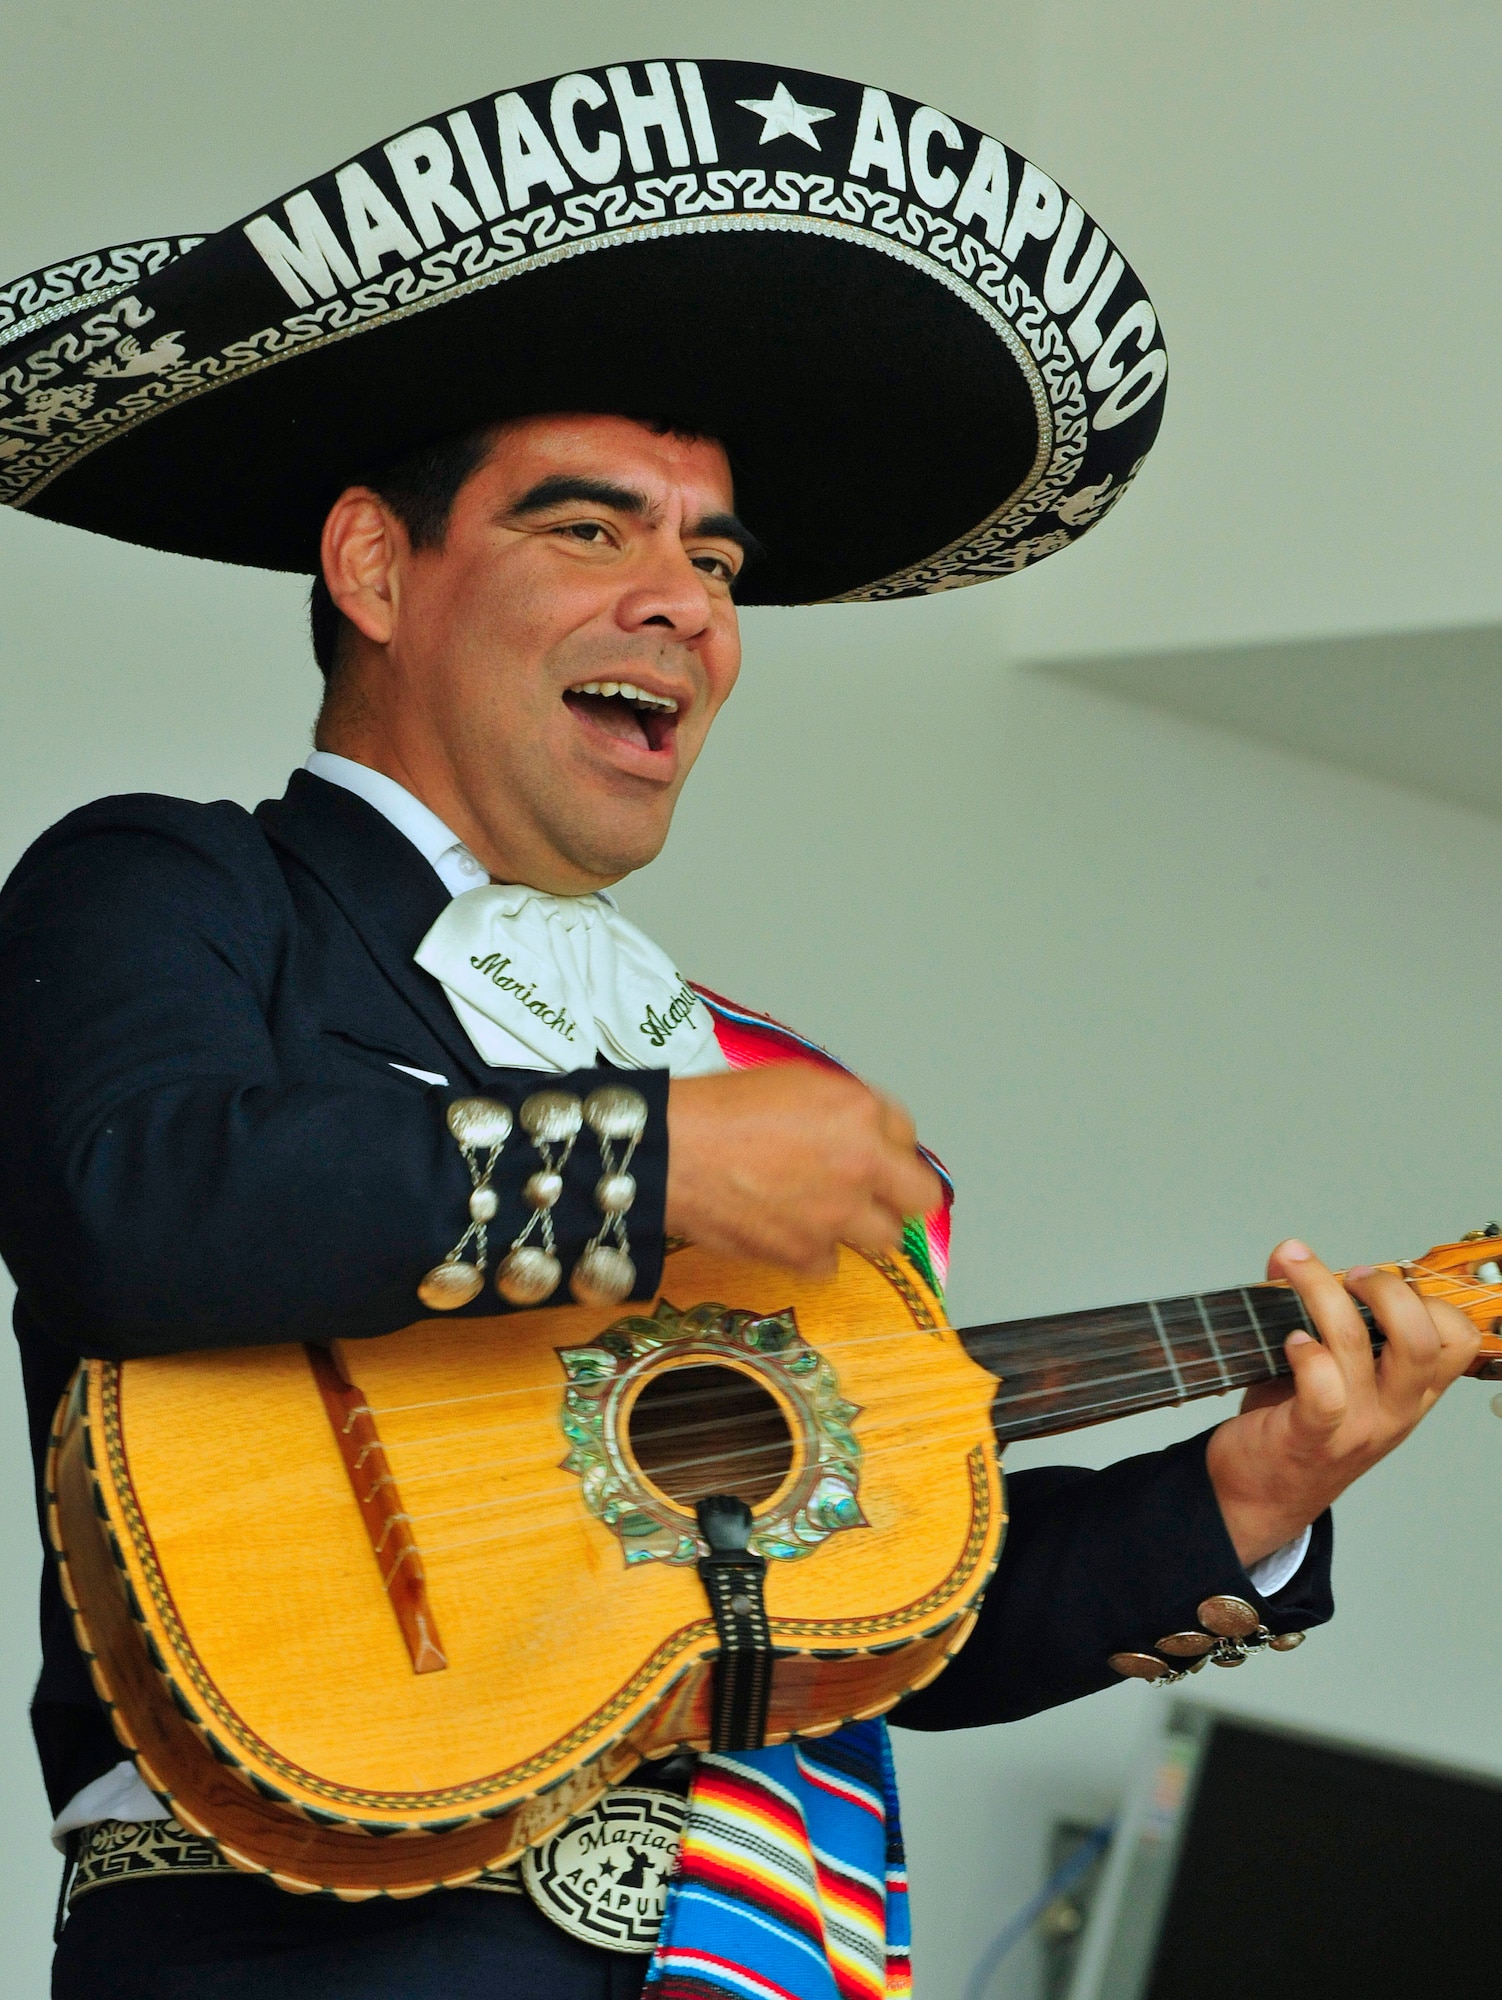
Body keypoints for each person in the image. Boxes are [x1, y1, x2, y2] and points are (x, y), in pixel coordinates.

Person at [0, 60, 1476, 2000]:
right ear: (374, 568)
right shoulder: (179, 890)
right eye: (595, 531)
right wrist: (661, 1162)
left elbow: (867, 1602)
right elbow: (141, 1198)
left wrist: (1251, 1493)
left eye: (714, 559)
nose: (683, 605)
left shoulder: (751, 1080)